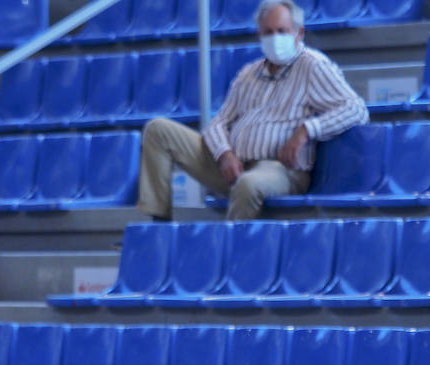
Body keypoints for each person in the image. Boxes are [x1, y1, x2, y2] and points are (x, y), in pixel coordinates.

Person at [137, 0, 367, 222]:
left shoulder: (313, 66)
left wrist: (307, 130)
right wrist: (225, 154)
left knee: (249, 183)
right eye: (268, 32)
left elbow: (355, 109)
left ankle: (230, 253)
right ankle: (159, 222)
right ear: (259, 35)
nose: (275, 38)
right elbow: (218, 123)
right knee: (158, 130)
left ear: (299, 33)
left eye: (282, 31)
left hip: (280, 170)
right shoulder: (248, 73)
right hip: (233, 164)